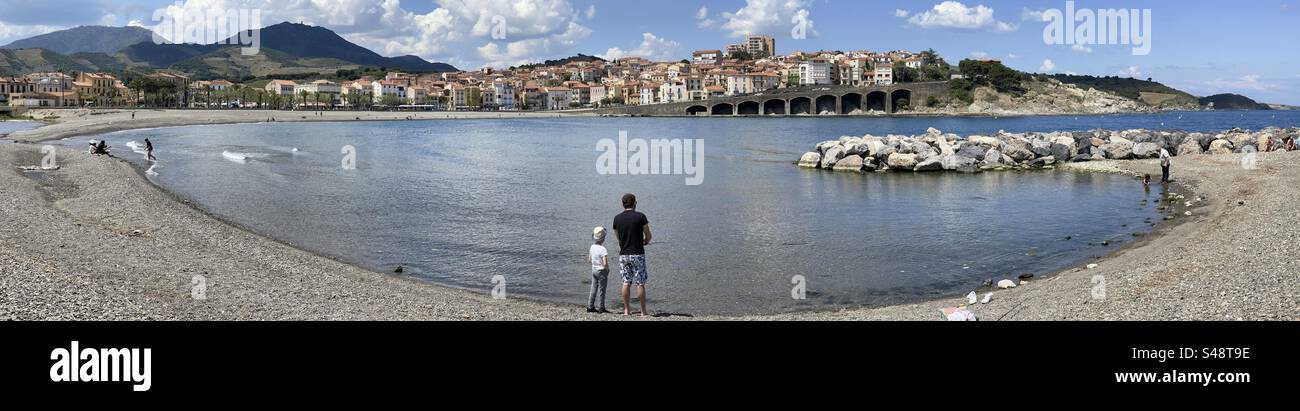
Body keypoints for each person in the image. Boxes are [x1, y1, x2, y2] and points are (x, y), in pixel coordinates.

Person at [612, 193, 652, 317]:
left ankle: (626, 310)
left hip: (624, 254)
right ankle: (643, 311)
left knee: (626, 281)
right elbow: (649, 236)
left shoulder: (617, 218)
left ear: (623, 204)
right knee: (640, 283)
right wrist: (644, 242)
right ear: (634, 203)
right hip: (638, 253)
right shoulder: (641, 217)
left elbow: (619, 238)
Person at [587, 227, 610, 313]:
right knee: (602, 290)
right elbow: (605, 263)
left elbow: (589, 260)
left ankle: (590, 306)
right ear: (603, 238)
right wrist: (607, 270)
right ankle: (601, 307)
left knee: (593, 288)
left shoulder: (592, 247)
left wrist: (595, 264)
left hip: (594, 269)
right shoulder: (603, 249)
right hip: (601, 271)